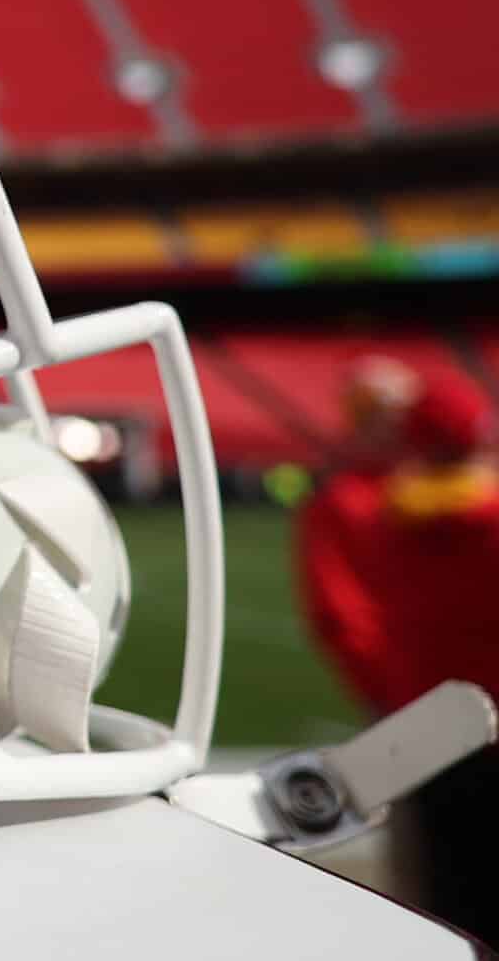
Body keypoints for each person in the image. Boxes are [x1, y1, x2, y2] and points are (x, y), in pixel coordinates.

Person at [296, 358, 499, 941]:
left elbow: (342, 620)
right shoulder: (365, 505)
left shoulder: (371, 510)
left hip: (420, 718)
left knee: (438, 894)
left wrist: (393, 695)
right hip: (458, 718)